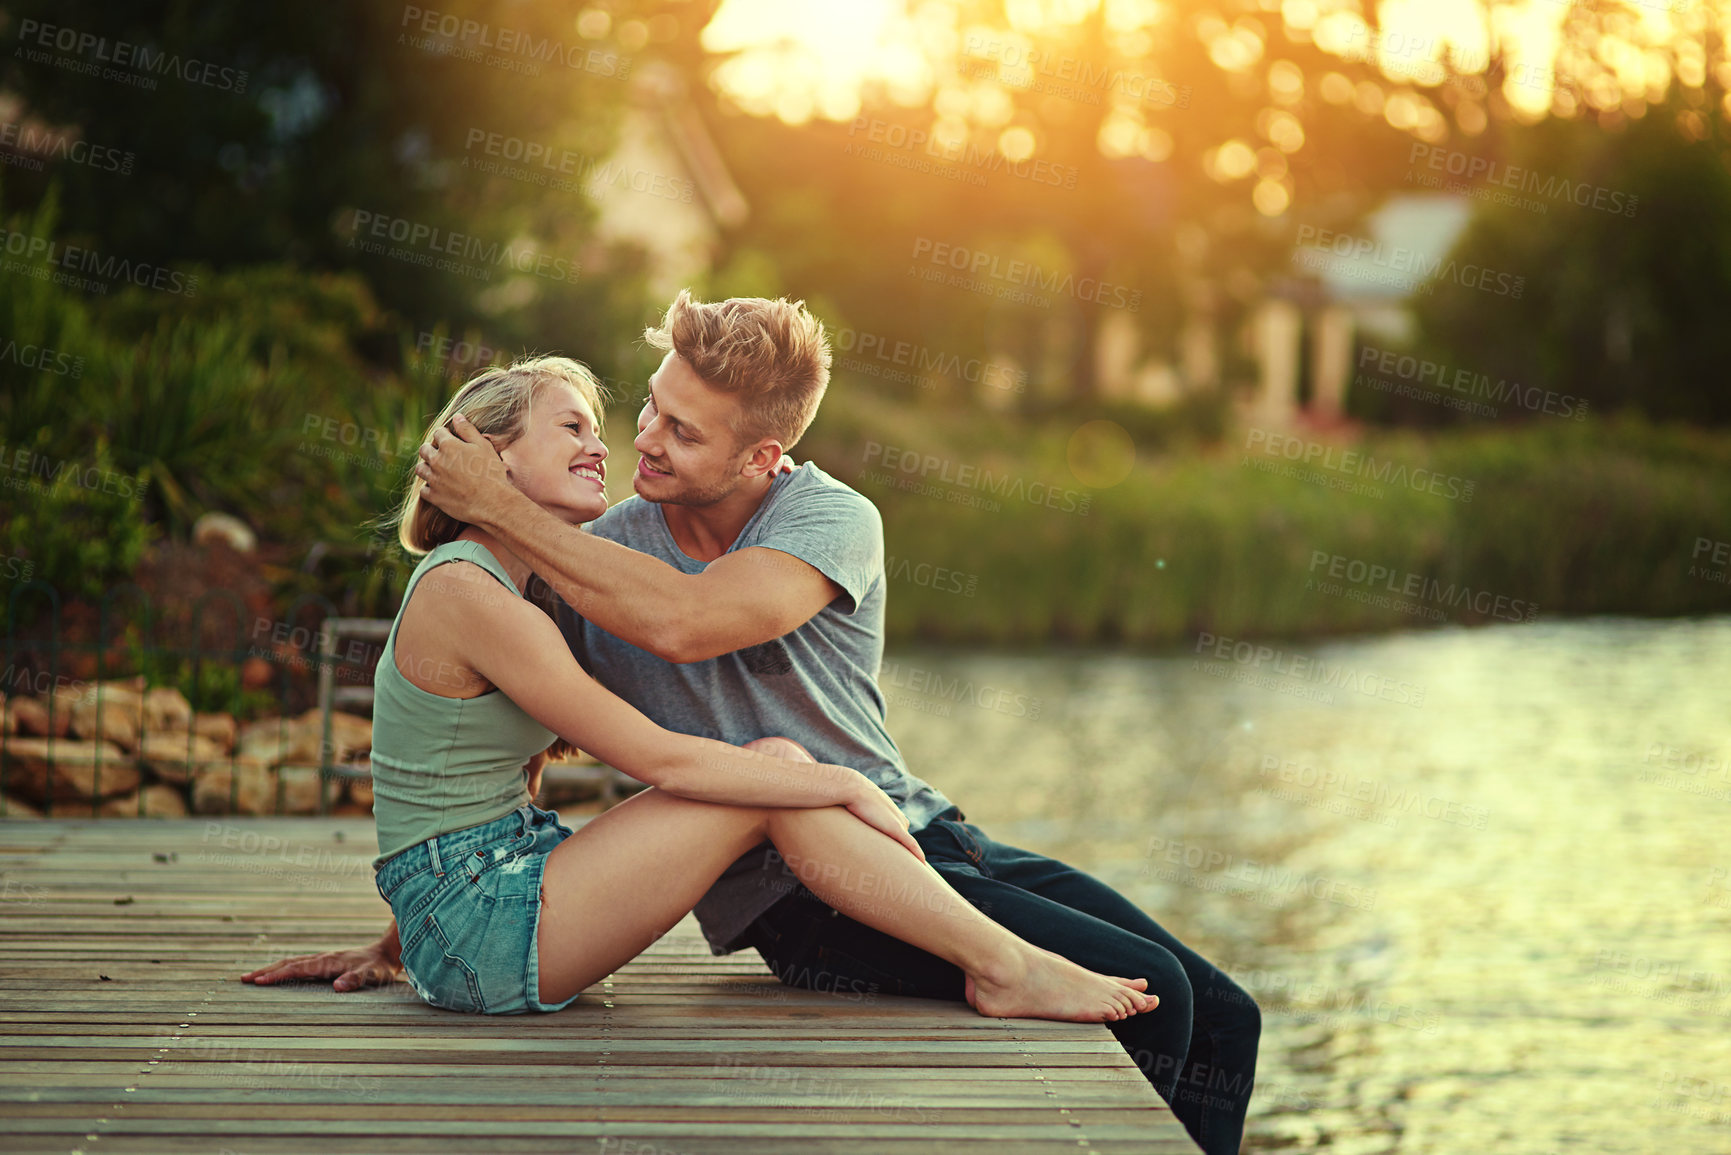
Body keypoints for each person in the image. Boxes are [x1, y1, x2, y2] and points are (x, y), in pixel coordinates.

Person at [247, 292, 1260, 1153]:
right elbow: (487, 756)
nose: (642, 439)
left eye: (682, 433)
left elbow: (688, 620)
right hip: (802, 889)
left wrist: (502, 509)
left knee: (1224, 1016)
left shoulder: (827, 520)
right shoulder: (582, 552)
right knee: (1154, 999)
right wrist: (398, 938)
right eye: (649, 409)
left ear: (760, 454)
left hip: (914, 836)